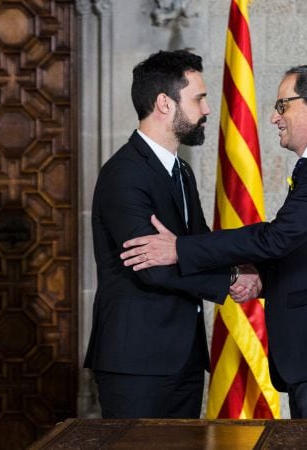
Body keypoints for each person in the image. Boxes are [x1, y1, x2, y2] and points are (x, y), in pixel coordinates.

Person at [120, 65, 307, 419]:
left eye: (282, 105)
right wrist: (257, 277)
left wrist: (180, 249)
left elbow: (279, 237)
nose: (274, 118)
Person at [83, 50, 260, 419]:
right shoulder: (124, 173)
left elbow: (195, 244)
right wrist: (229, 279)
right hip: (137, 361)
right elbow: (152, 266)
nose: (208, 109)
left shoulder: (182, 171)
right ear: (165, 103)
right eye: (198, 98)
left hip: (184, 357)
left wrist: (248, 267)